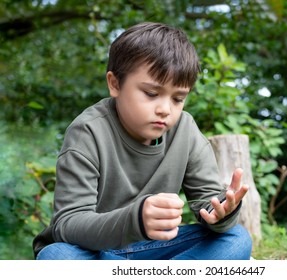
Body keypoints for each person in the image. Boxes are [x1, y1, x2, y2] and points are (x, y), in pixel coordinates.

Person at [33, 22, 252, 260]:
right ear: (115, 84)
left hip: (153, 249)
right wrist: (135, 220)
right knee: (56, 257)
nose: (165, 109)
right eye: (151, 94)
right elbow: (68, 223)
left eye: (178, 98)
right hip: (93, 251)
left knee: (235, 239)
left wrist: (221, 212)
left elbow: (207, 202)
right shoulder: (87, 132)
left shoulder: (186, 130)